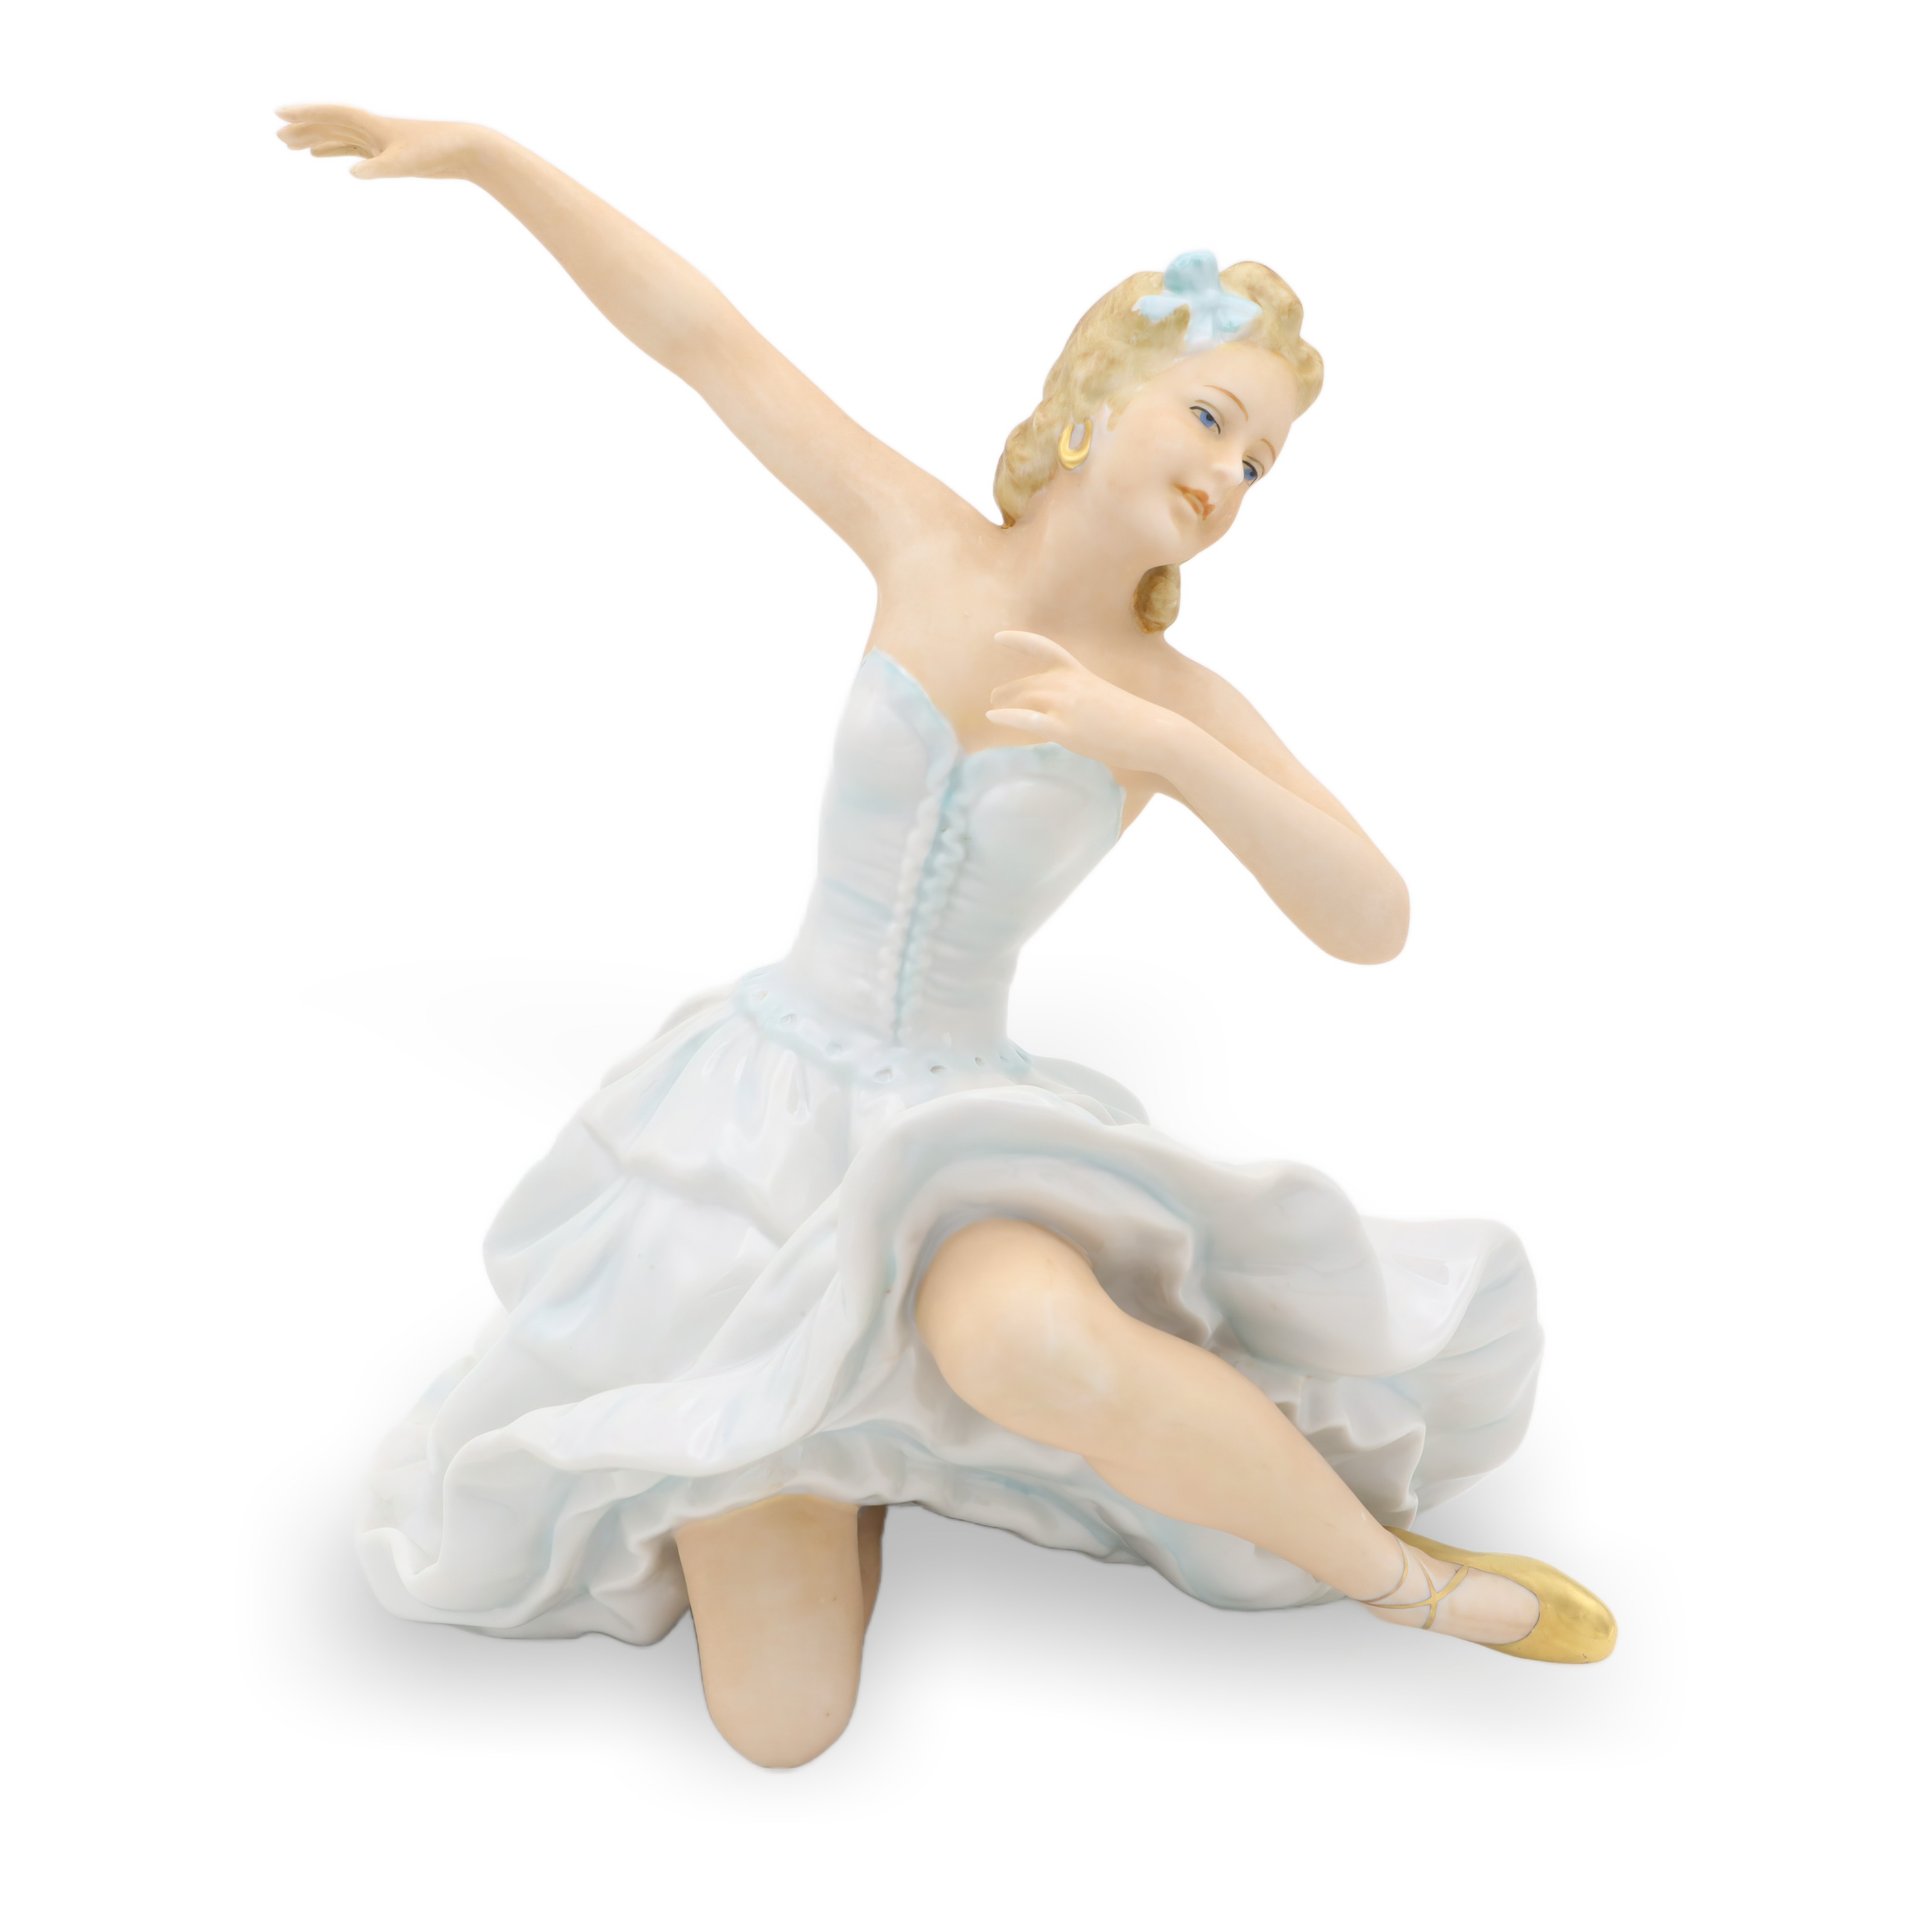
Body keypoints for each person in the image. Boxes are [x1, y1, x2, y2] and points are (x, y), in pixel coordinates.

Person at [278, 105, 1616, 1770]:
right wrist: (493, 162)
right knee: (781, 1729)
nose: (1229, 475)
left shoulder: (1179, 701)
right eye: (1212, 417)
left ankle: (1407, 1585)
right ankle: (819, 1446)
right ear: (1097, 398)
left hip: (955, 1139)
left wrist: (1168, 751)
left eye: (1262, 463)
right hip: (760, 1131)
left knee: (1020, 1331)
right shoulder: (922, 548)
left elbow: (1375, 918)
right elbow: (704, 341)